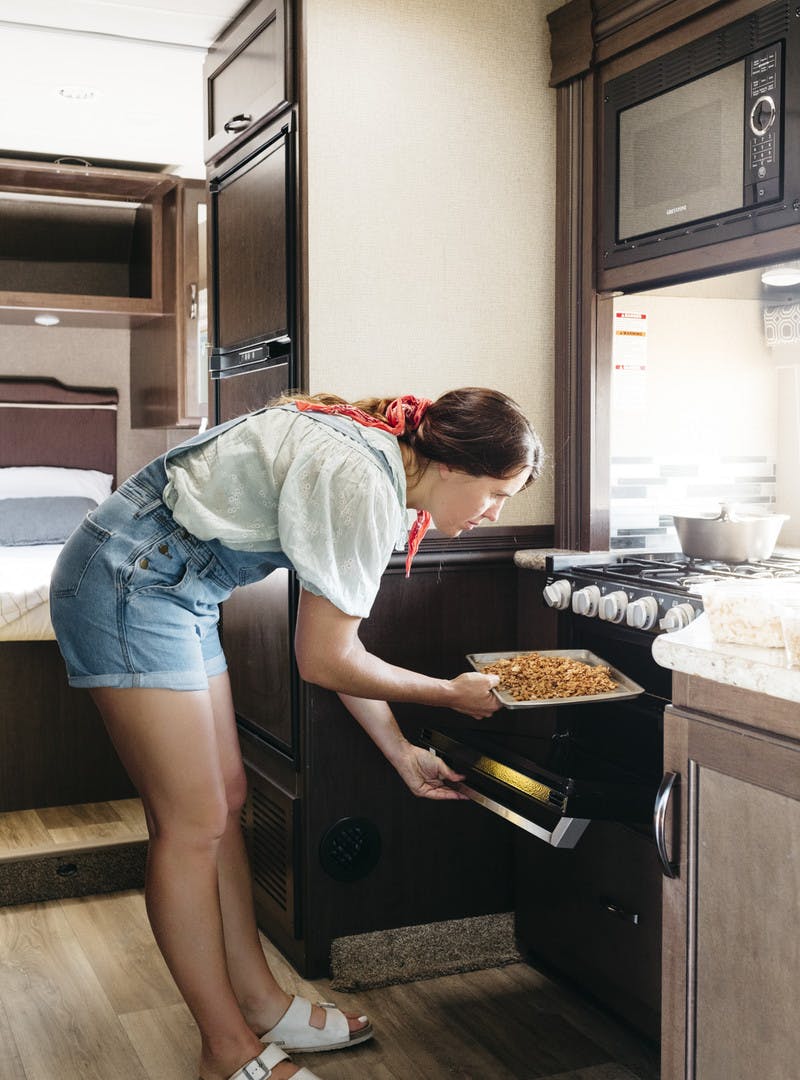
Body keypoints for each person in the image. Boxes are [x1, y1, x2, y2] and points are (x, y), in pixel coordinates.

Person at [50, 387, 542, 1080]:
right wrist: (449, 695)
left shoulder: (376, 461)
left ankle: (259, 1003)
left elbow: (334, 651)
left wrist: (401, 751)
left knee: (225, 797)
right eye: (498, 493)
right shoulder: (361, 480)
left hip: (173, 586)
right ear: (455, 466)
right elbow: (327, 660)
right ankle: (226, 1050)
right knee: (190, 825)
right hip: (130, 581)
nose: (495, 513)